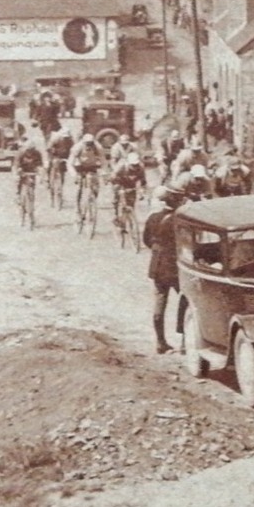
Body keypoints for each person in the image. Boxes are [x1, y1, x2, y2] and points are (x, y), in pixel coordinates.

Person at [142, 186, 183, 354]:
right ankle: (186, 342)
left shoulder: (153, 217)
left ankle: (160, 342)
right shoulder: (179, 219)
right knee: (187, 301)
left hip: (157, 265)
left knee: (160, 303)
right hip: (175, 266)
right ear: (177, 200)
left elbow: (146, 240)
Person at [69, 132, 107, 201]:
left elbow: (103, 161)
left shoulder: (98, 147)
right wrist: (74, 174)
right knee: (79, 186)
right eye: (87, 143)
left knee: (96, 184)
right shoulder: (77, 147)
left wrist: (104, 173)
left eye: (91, 143)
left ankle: (93, 199)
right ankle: (77, 203)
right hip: (80, 166)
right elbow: (70, 163)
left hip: (92, 165)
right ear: (83, 142)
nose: (89, 145)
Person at [111, 151, 147, 220]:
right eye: (133, 165)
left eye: (136, 165)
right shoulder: (121, 166)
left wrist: (141, 191)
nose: (135, 167)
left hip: (131, 184)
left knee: (131, 202)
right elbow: (113, 177)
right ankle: (116, 214)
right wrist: (118, 188)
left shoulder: (141, 168)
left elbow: (143, 180)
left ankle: (130, 220)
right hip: (120, 182)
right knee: (117, 193)